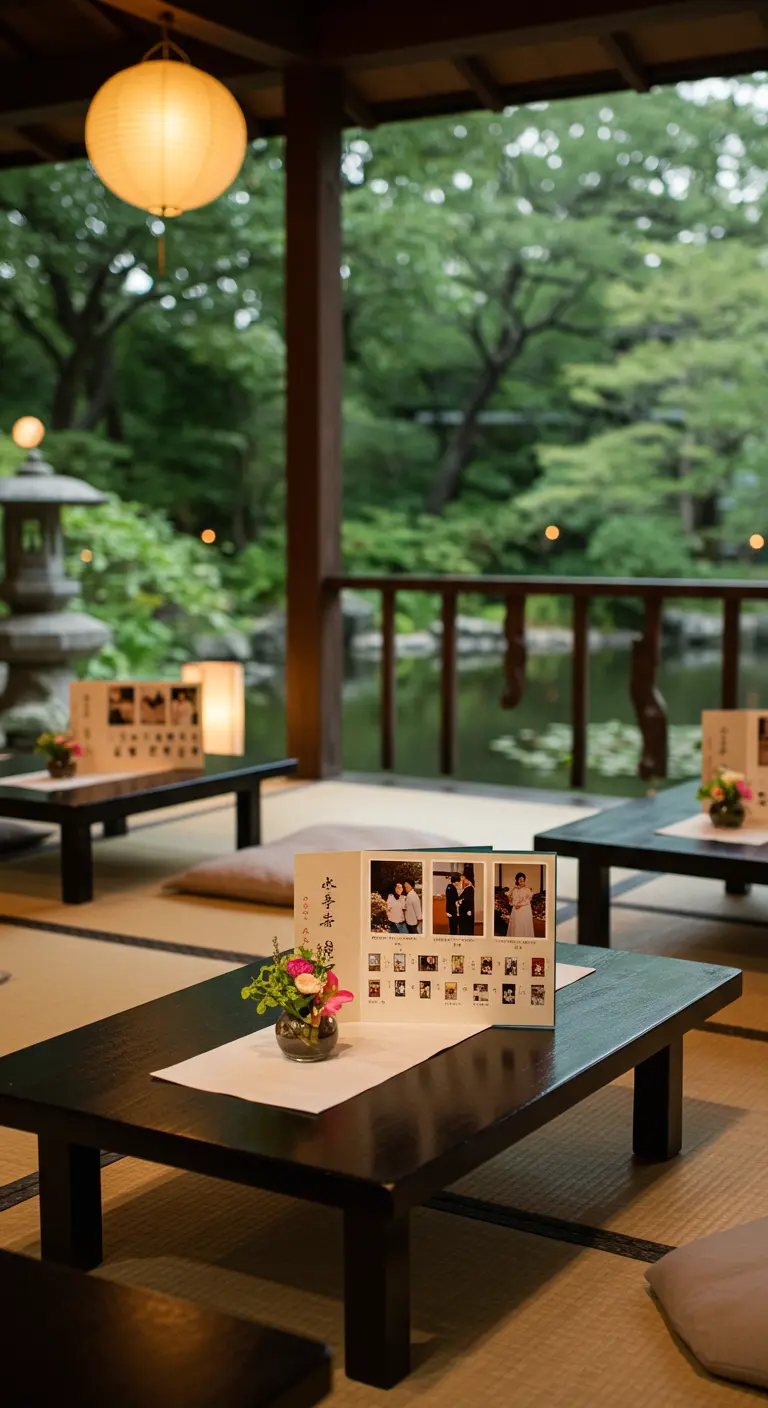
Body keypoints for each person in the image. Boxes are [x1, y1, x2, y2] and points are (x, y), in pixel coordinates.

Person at [507, 871, 534, 938]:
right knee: (516, 925)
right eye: (520, 880)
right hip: (516, 909)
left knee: (523, 924)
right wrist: (515, 905)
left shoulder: (527, 890)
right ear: (517, 880)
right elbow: (512, 899)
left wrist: (520, 905)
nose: (521, 881)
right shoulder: (514, 890)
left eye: (523, 880)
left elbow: (528, 900)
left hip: (525, 909)